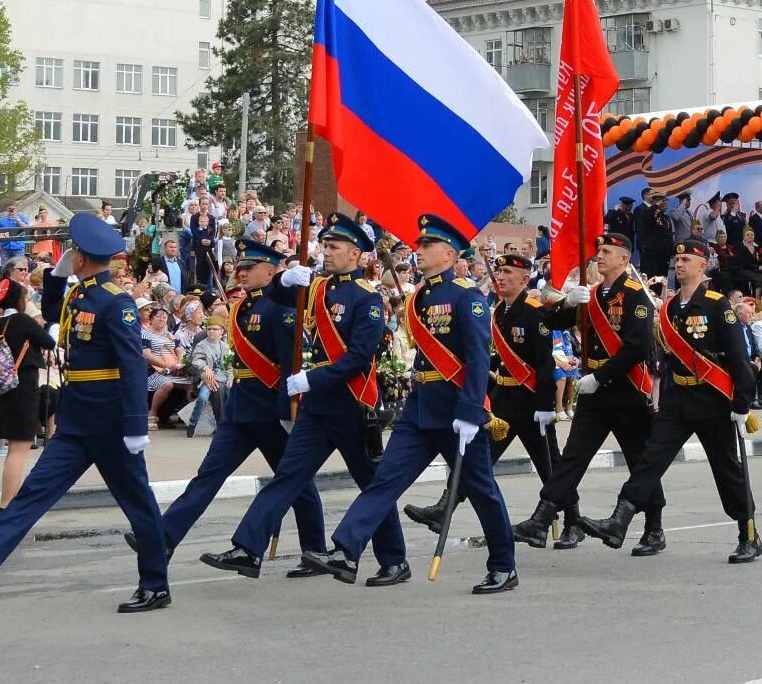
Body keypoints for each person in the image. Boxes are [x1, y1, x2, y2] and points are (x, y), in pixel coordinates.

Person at [0, 213, 172, 613]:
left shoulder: (118, 302)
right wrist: (59, 276)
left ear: (81, 257)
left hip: (111, 420)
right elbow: (58, 308)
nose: (70, 257)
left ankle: (155, 584)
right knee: (34, 492)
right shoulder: (81, 295)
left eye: (72, 253)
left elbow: (131, 365)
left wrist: (134, 423)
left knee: (138, 503)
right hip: (77, 415)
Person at [312, 214, 518, 594]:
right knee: (384, 480)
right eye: (418, 245)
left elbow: (476, 358)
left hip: (457, 411)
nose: (418, 251)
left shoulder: (466, 296)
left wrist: (472, 411)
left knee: (482, 490)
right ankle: (346, 550)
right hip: (420, 408)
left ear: (449, 253)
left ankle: (504, 565)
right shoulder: (421, 297)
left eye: (427, 246)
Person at [201, 214, 406, 583]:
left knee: (370, 483)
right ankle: (248, 548)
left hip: (351, 403)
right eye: (324, 246)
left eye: (333, 247)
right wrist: (284, 278)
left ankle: (394, 560)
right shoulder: (317, 288)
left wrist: (312, 379)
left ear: (356, 253)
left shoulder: (368, 299)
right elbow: (278, 294)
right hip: (316, 407)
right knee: (287, 476)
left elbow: (358, 357)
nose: (325, 253)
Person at [579, 237, 761, 562]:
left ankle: (747, 531)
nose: (679, 265)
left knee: (726, 470)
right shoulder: (670, 307)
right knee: (651, 459)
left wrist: (741, 404)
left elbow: (738, 358)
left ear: (703, 266)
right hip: (678, 397)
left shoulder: (717, 305)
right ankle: (620, 520)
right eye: (677, 261)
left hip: (713, 401)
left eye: (686, 260)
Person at [150, 238, 327, 559]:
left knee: (295, 483)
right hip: (240, 410)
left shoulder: (283, 309)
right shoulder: (243, 306)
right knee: (208, 476)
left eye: (250, 267)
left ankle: (314, 549)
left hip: (271, 412)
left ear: (271, 272)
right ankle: (163, 537)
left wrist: (290, 410)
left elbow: (292, 363)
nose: (242, 273)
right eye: (241, 267)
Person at [513, 233, 665, 553]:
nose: (599, 255)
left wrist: (599, 376)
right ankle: (541, 519)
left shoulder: (636, 295)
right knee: (573, 459)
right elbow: (552, 323)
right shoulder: (592, 295)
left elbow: (637, 346)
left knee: (640, 461)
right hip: (594, 394)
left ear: (623, 260)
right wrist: (568, 302)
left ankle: (654, 528)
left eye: (607, 251)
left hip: (624, 390)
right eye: (599, 249)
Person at [405, 251, 556, 536]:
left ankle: (565, 520)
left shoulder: (535, 311)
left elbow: (545, 363)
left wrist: (546, 404)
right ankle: (444, 506)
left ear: (525, 278)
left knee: (550, 466)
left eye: (508, 273)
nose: (500, 277)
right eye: (499, 273)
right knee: (479, 462)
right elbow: (498, 356)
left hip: (530, 401)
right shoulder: (499, 312)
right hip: (504, 401)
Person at [0, 277, 57, 506]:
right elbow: (48, 341)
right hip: (23, 387)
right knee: (19, 449)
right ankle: (6, 504)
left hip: (6, 388)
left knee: (14, 447)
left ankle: (9, 499)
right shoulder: (21, 320)